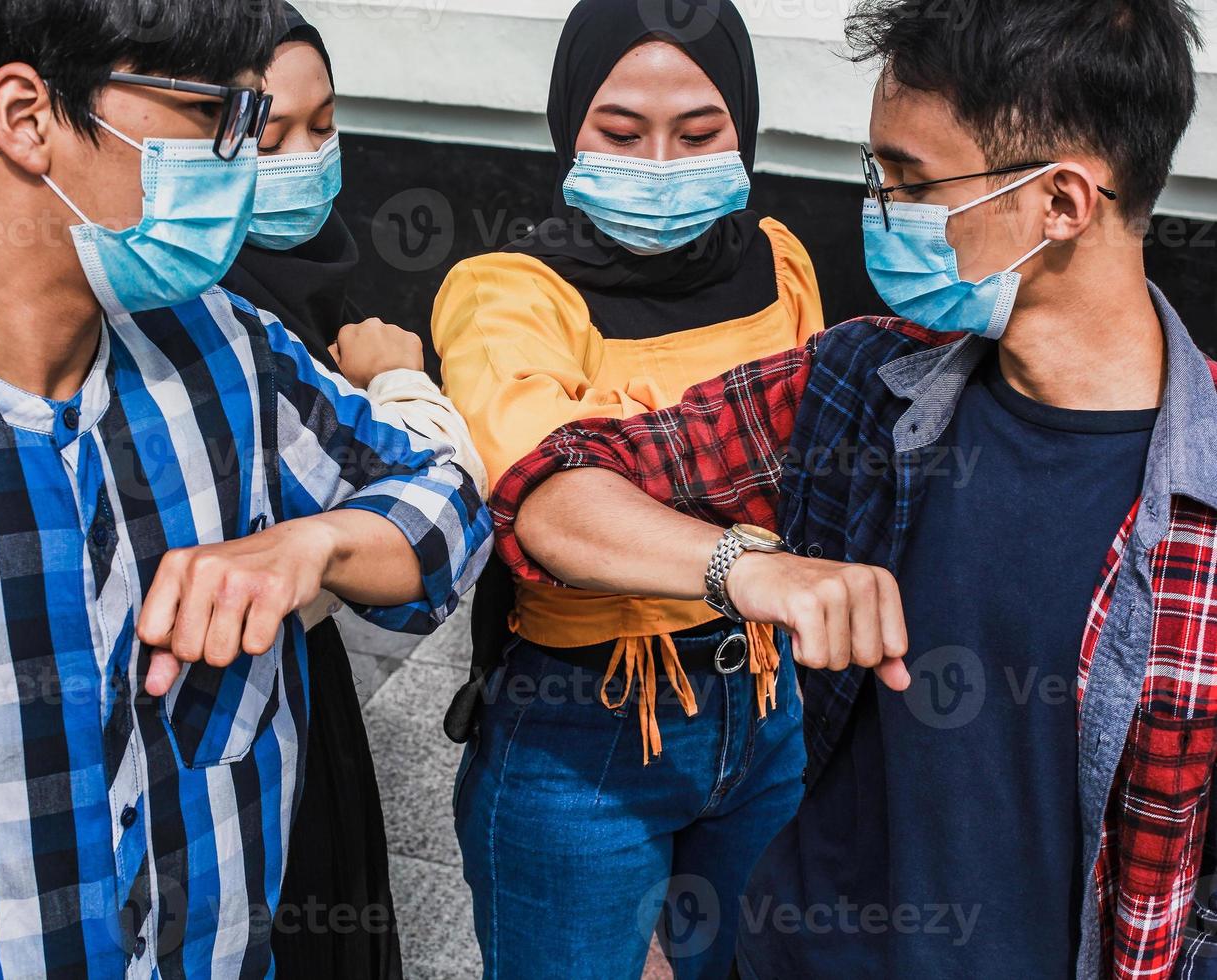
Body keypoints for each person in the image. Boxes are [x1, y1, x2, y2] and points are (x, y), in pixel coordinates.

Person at [0, 0, 492, 976]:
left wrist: (318, 543)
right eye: (217, 120)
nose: (246, 163)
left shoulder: (225, 352)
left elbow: (447, 494)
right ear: (27, 117)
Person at [487, 0, 1212, 977]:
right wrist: (747, 568)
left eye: (912, 181)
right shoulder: (860, 387)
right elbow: (553, 488)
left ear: (1064, 204)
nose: (878, 206)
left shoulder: (1197, 513)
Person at [432, 0, 823, 974]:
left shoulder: (781, 262)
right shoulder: (508, 292)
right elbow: (548, 495)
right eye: (620, 131)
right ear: (570, 128)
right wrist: (743, 563)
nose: (659, 163)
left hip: (769, 711)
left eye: (699, 134)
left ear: (745, 125)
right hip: (583, 732)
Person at [221, 7, 487, 978]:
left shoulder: (317, 285)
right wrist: (401, 384)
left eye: (322, 127)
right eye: (266, 133)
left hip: (310, 701)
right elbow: (434, 500)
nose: (302, 158)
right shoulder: (208, 319)